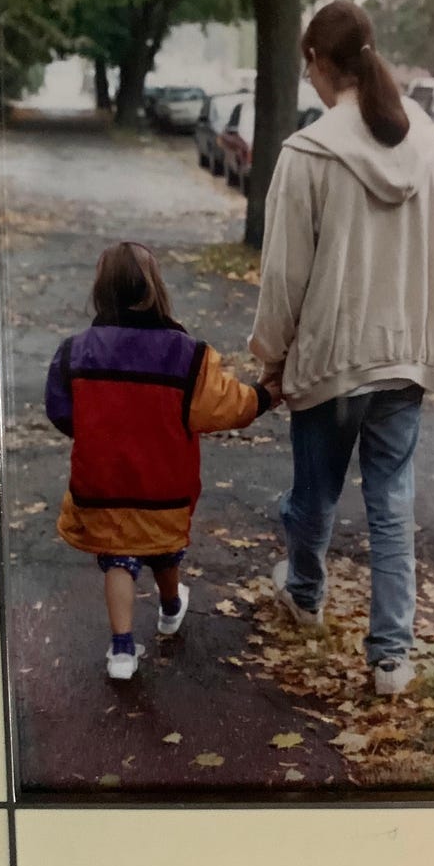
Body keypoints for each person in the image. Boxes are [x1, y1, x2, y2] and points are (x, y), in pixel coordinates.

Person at [249, 0, 434, 696]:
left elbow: (284, 275)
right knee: (392, 504)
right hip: (403, 356)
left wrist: (270, 357)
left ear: (318, 62)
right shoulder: (424, 143)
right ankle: (392, 656)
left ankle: (306, 593)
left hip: (336, 359)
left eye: (308, 64)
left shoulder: (308, 154)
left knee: (314, 493)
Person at [46, 241, 280, 680]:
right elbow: (222, 406)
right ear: (156, 289)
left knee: (118, 558)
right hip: (163, 489)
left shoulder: (75, 352)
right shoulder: (186, 355)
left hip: (103, 487)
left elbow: (61, 411)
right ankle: (171, 607)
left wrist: (100, 431)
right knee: (164, 548)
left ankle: (121, 650)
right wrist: (264, 396)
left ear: (101, 291)